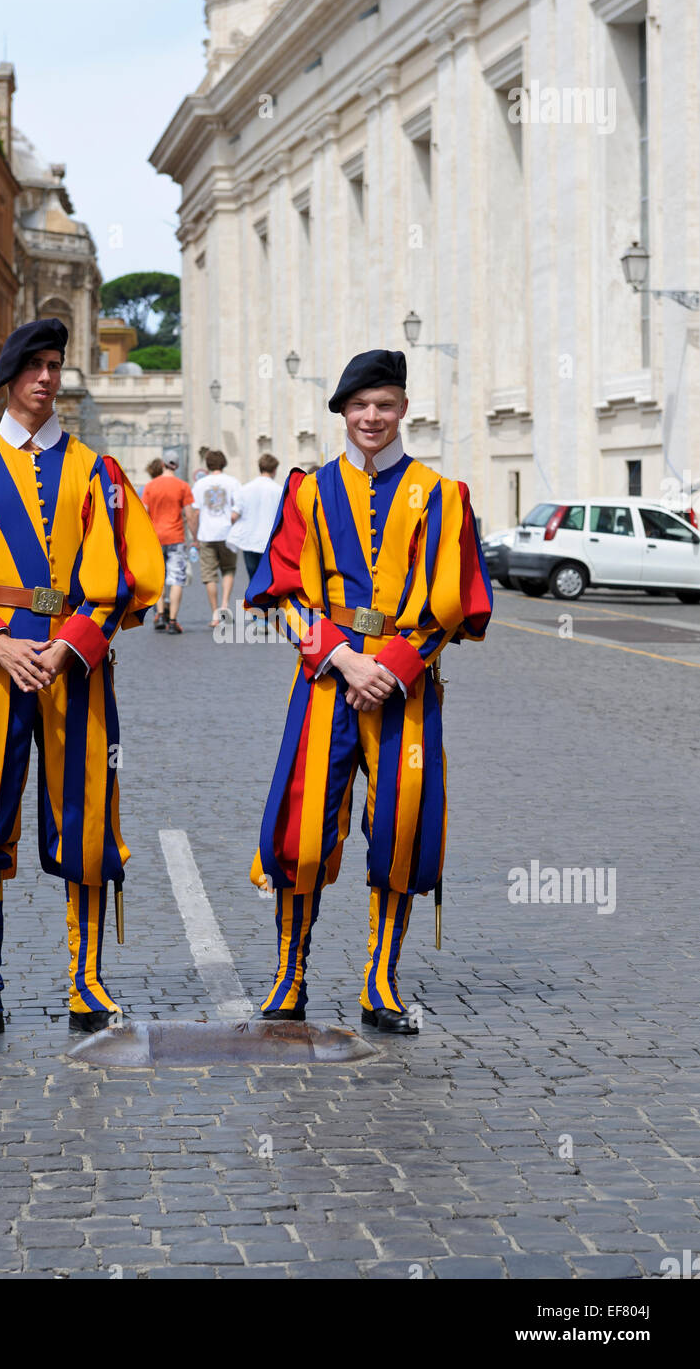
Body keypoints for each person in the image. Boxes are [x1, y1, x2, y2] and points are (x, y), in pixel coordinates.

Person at [0, 318, 164, 1047]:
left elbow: (121, 584)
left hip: (74, 672)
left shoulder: (98, 473)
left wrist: (70, 645)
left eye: (55, 365)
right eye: (33, 366)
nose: (47, 378)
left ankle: (86, 982)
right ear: (8, 378)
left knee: (85, 821)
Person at [245, 349, 493, 1034]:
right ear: (343, 415)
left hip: (405, 688)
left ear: (403, 409)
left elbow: (451, 600)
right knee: (301, 829)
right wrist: (344, 659)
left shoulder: (442, 496)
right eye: (359, 406)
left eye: (383, 404)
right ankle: (287, 976)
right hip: (326, 682)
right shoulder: (307, 490)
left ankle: (379, 981)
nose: (371, 417)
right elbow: (282, 589)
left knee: (400, 830)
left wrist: (395, 665)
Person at [141, 450, 197, 634]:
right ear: (177, 466)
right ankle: (172, 620)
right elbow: (189, 515)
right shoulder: (183, 486)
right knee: (176, 579)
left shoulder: (150, 486)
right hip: (176, 538)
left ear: (163, 464)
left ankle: (159, 613)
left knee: (159, 579)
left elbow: (143, 513)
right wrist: (195, 538)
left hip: (155, 538)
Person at [190, 450, 243, 627]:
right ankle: (225, 605)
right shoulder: (233, 482)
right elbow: (238, 507)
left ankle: (214, 613)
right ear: (224, 463)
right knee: (228, 568)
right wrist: (232, 522)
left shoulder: (199, 485)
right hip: (227, 532)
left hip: (206, 533)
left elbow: (195, 512)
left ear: (208, 464)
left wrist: (194, 536)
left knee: (209, 575)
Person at [227, 452, 283, 581]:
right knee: (269, 579)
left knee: (253, 579)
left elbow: (234, 514)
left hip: (249, 540)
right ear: (274, 470)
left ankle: (254, 601)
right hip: (270, 541)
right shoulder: (279, 491)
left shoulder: (245, 489)